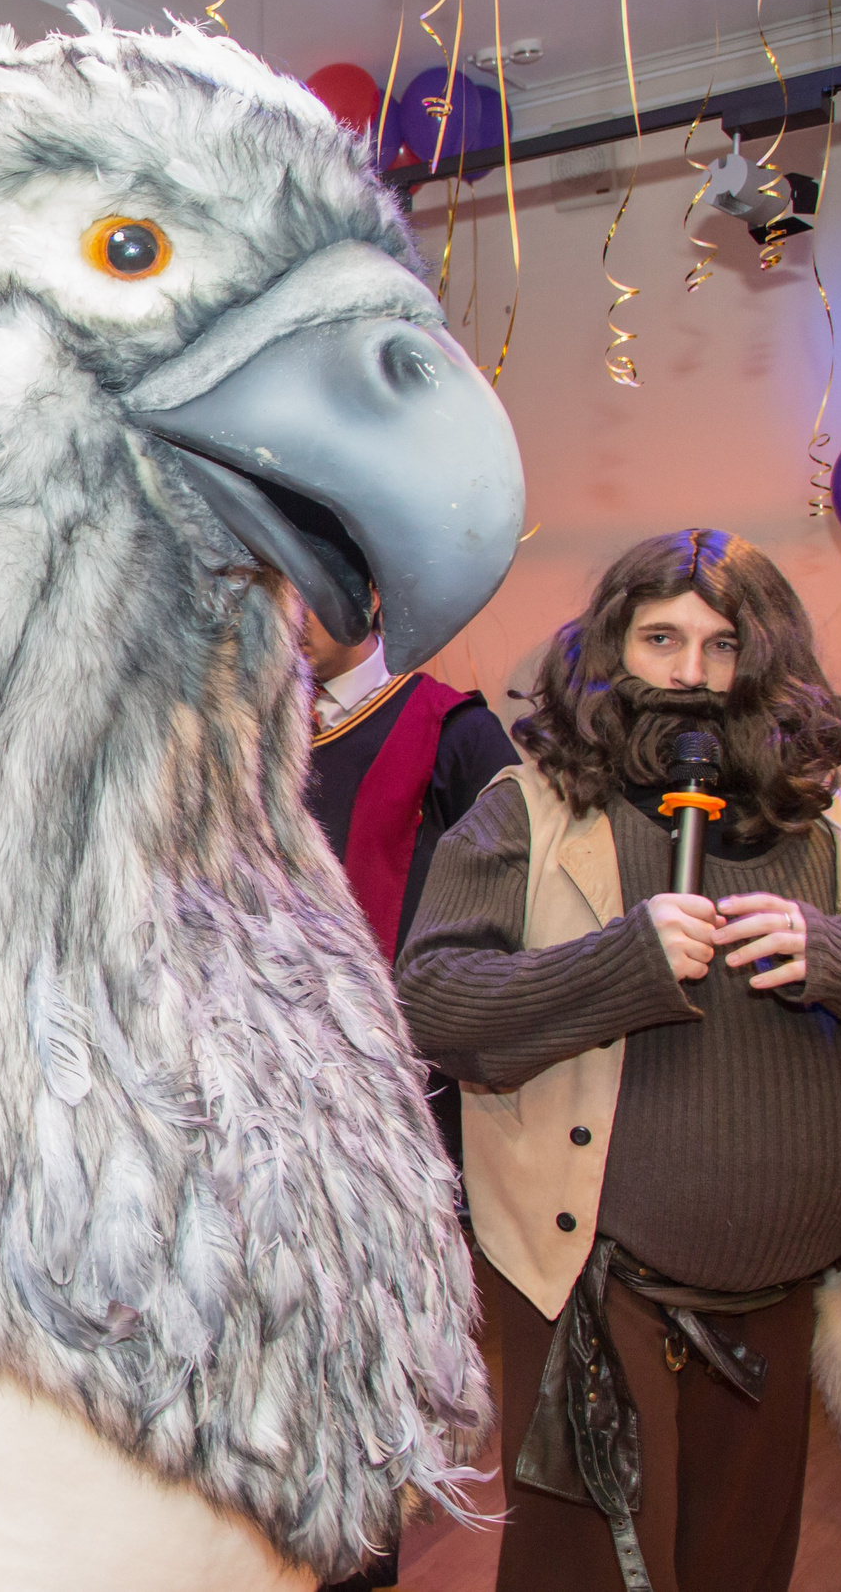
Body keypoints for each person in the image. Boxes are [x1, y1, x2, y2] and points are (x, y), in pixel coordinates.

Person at [397, 529, 841, 1592]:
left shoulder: (831, 828)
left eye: (721, 644)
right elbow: (433, 1006)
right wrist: (619, 963)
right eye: (660, 637)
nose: (689, 672)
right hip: (589, 1289)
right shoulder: (524, 811)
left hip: (781, 1297)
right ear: (610, 648)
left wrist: (839, 958)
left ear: (767, 660)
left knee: (738, 1570)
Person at [300, 588, 516, 1592]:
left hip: (399, 1118)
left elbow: (524, 909)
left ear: (372, 594)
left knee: (362, 1392)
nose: (284, 605)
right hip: (257, 1111)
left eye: (309, 582)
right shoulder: (231, 724)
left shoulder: (453, 732)